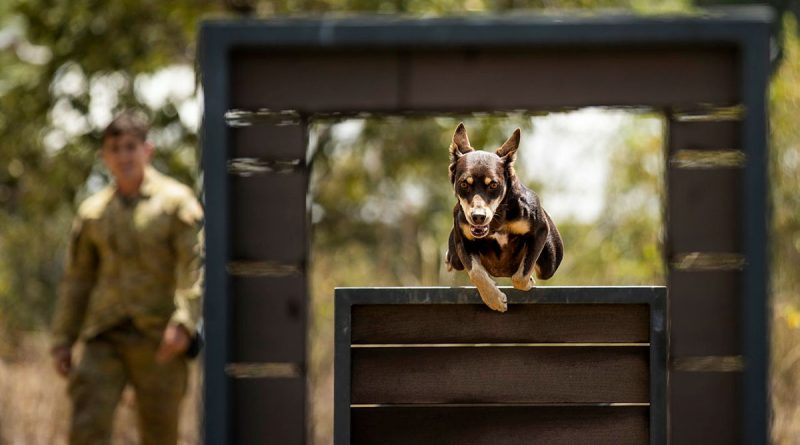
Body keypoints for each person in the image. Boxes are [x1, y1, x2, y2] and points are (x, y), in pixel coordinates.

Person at [50, 110, 203, 445]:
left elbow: (193, 266)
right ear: (105, 155)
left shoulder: (175, 203)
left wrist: (184, 321)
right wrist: (63, 337)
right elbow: (78, 280)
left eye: (130, 147)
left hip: (159, 337)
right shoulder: (93, 212)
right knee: (87, 425)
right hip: (105, 334)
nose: (123, 156)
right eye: (114, 148)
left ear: (147, 150)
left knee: (160, 434)